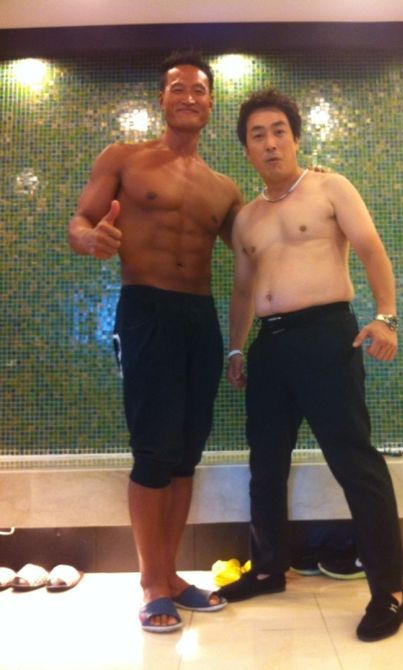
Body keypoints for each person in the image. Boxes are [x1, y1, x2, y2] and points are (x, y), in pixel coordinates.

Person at [217, 89, 403, 642]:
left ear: (296, 138)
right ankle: (268, 568)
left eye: (279, 131)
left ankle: (390, 591)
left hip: (327, 336)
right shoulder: (247, 219)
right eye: (258, 135)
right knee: (266, 463)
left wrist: (386, 318)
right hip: (270, 347)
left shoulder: (330, 188)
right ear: (247, 149)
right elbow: (242, 291)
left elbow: (371, 249)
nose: (270, 143)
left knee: (355, 461)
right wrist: (236, 348)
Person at [68, 51, 243, 633]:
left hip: (200, 318)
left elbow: (257, 242)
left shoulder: (224, 188)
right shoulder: (124, 159)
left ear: (210, 103)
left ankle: (169, 576)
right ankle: (151, 584)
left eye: (199, 89)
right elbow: (79, 222)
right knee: (154, 449)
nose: (189, 96)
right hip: (146, 309)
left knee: (187, 451)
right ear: (162, 99)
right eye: (177, 88)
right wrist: (90, 238)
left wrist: (304, 186)